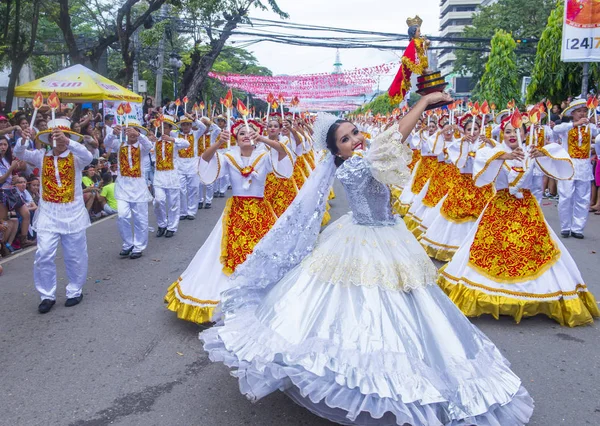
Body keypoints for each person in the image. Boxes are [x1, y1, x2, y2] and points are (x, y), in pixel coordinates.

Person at [200, 93, 533, 426]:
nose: (355, 140)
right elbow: (395, 136)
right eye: (345, 139)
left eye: (355, 132)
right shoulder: (356, 167)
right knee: (366, 310)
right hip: (364, 241)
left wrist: (421, 107)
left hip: (386, 235)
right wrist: (424, 102)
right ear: (338, 152)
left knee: (407, 308)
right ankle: (367, 382)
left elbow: (388, 142)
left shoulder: (362, 158)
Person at [439, 112, 600, 327]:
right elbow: (480, 162)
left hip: (526, 211)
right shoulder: (494, 152)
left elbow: (561, 165)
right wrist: (502, 157)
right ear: (502, 134)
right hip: (499, 208)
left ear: (526, 134)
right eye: (508, 131)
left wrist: (541, 153)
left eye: (517, 131)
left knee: (535, 253)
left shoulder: (531, 152)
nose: (512, 134)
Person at [164, 119, 293, 324]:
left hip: (261, 211)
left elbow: (283, 154)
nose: (245, 135)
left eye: (250, 133)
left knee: (261, 253)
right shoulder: (228, 157)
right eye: (241, 133)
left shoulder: (264, 156)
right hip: (236, 212)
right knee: (228, 255)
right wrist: (216, 143)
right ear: (236, 138)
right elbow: (205, 161)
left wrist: (264, 139)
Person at [16, 125, 92, 314]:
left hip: (73, 214)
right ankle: (47, 295)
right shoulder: (42, 156)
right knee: (44, 254)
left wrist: (68, 142)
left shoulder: (76, 157)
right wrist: (23, 139)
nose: (58, 140)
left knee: (75, 255)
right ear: (49, 140)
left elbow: (89, 157)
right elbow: (19, 152)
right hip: (48, 214)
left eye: (62, 137)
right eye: (54, 137)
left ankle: (75, 290)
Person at [104, 120, 153, 259]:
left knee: (140, 218)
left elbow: (149, 145)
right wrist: (113, 133)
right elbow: (107, 143)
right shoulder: (119, 145)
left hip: (138, 187)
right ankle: (128, 244)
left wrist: (138, 135)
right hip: (122, 186)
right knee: (122, 215)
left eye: (134, 130)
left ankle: (138, 247)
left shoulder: (142, 147)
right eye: (129, 130)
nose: (131, 133)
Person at [552, 98, 599, 238]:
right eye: (579, 111)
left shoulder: (590, 128)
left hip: (584, 166)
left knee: (583, 198)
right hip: (568, 165)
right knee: (566, 196)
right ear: (572, 113)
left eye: (584, 111)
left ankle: (578, 228)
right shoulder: (566, 127)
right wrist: (575, 124)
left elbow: (598, 136)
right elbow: (555, 129)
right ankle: (565, 226)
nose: (582, 114)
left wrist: (596, 124)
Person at [152, 115, 189, 238]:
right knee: (158, 200)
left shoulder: (175, 141)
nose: (163, 130)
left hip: (172, 175)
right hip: (158, 175)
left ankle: (172, 227)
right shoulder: (155, 141)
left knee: (173, 202)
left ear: (169, 129)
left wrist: (172, 139)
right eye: (161, 127)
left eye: (166, 127)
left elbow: (187, 144)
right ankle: (162, 224)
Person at [388, 15, 429, 104]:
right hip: (413, 62)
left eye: (420, 31)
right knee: (402, 77)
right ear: (413, 33)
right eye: (418, 31)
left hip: (419, 63)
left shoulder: (419, 41)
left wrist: (426, 44)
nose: (420, 33)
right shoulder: (414, 43)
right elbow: (414, 57)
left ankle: (424, 73)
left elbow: (422, 52)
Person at [174, 114, 207, 220]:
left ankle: (191, 211)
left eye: (188, 125)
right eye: (184, 125)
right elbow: (164, 128)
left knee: (193, 188)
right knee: (180, 189)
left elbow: (204, 127)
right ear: (181, 126)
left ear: (191, 125)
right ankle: (182, 212)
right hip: (179, 165)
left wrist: (194, 119)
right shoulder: (175, 135)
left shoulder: (196, 134)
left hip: (193, 164)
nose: (186, 127)